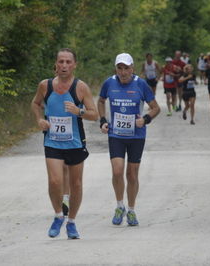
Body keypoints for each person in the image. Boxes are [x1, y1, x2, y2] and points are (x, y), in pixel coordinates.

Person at [31, 48, 98, 239]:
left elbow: (95, 114)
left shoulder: (81, 87)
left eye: (68, 62)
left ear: (75, 65)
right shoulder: (45, 86)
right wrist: (39, 120)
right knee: (55, 181)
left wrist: (79, 111)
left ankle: (72, 222)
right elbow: (35, 104)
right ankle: (58, 215)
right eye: (61, 62)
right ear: (56, 64)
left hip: (75, 143)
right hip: (53, 141)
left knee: (76, 185)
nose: (64, 65)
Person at [98, 53, 160, 226]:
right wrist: (103, 120)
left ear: (132, 68)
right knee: (117, 172)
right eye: (120, 68)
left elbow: (155, 108)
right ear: (116, 68)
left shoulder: (141, 84)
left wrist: (145, 120)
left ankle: (131, 210)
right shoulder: (109, 83)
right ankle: (119, 206)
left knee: (132, 175)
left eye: (126, 68)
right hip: (116, 134)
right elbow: (101, 101)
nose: (123, 72)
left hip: (136, 136)